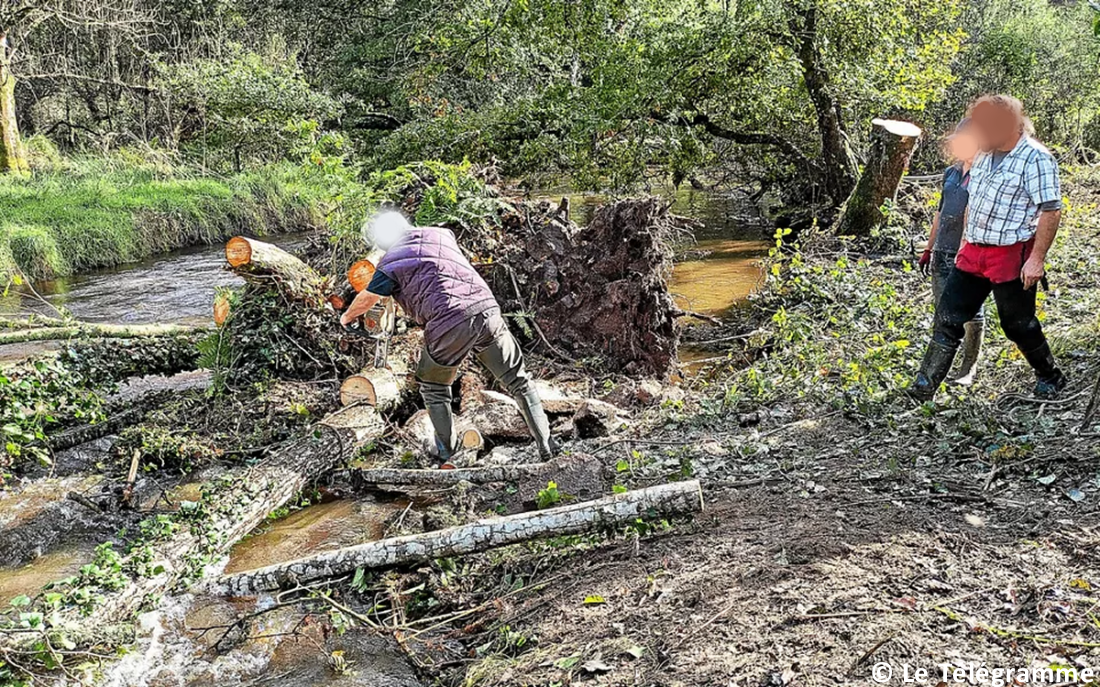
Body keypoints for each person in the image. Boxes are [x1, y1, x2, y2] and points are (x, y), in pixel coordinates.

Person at [340, 211, 557, 460]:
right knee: (518, 381)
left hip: (448, 320)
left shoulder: (389, 262)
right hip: (487, 308)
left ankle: (447, 453)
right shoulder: (442, 235)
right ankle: (547, 445)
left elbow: (368, 296)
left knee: (434, 388)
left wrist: (346, 317)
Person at [911, 95, 1066, 401]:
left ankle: (1050, 376)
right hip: (973, 251)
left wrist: (1036, 260)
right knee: (948, 317)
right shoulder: (983, 154)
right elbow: (975, 200)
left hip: (1010, 253)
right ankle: (923, 388)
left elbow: (1051, 210)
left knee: (1017, 324)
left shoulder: (1036, 158)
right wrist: (965, 240)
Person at [917, 118, 983, 385]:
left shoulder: (983, 174)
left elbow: (975, 216)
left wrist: (966, 248)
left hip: (967, 252)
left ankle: (969, 367)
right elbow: (940, 213)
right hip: (943, 251)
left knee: (971, 311)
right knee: (943, 309)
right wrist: (929, 248)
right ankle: (939, 366)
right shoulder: (951, 173)